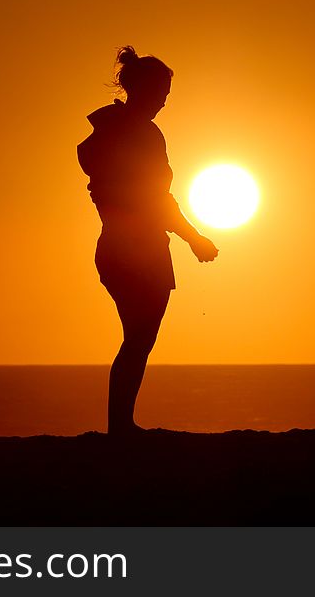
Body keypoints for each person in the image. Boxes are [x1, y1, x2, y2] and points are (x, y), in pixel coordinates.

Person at [77, 46, 218, 436]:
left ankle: (122, 423)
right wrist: (194, 239)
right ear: (144, 90)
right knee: (139, 338)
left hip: (123, 249)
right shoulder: (138, 135)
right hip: (135, 252)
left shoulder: (114, 131)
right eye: (161, 94)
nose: (163, 102)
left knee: (137, 339)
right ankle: (121, 426)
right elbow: (157, 201)